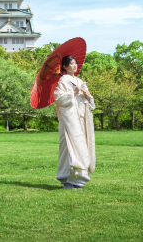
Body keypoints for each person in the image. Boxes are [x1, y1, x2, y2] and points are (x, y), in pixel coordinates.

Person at [53, 55, 96, 189]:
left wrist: (88, 96)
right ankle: (69, 178)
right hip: (69, 120)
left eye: (75, 63)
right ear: (64, 67)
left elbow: (89, 102)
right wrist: (73, 92)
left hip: (80, 118)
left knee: (81, 146)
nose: (74, 66)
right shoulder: (63, 80)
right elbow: (59, 98)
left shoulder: (79, 80)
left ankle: (79, 178)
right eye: (71, 64)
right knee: (69, 147)